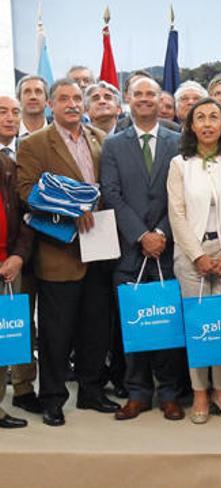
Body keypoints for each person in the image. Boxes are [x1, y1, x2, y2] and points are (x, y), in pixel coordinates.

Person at [16, 79, 117, 426]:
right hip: (59, 252)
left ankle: (91, 391)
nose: (73, 104)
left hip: (99, 249)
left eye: (77, 98)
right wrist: (72, 208)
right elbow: (27, 192)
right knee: (56, 333)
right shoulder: (34, 144)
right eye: (64, 99)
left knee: (95, 328)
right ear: (50, 104)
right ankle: (53, 398)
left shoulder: (100, 139)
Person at [100, 76, 185, 421]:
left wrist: (162, 231)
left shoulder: (178, 142)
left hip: (167, 247)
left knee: (167, 325)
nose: (145, 99)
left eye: (152, 93)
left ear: (160, 99)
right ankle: (137, 393)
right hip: (130, 250)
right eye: (139, 94)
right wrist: (141, 235)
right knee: (132, 324)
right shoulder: (113, 145)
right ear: (128, 100)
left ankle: (169, 393)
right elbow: (112, 194)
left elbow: (180, 196)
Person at [167, 97, 221, 424]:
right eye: (201, 117)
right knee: (199, 325)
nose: (208, 123)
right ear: (191, 126)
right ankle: (199, 391)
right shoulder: (179, 164)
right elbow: (177, 213)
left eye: (215, 117)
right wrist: (197, 255)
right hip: (191, 257)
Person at [0, 145, 34, 428]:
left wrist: (18, 256)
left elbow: (26, 216)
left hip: (6, 267)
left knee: (4, 340)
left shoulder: (9, 164)